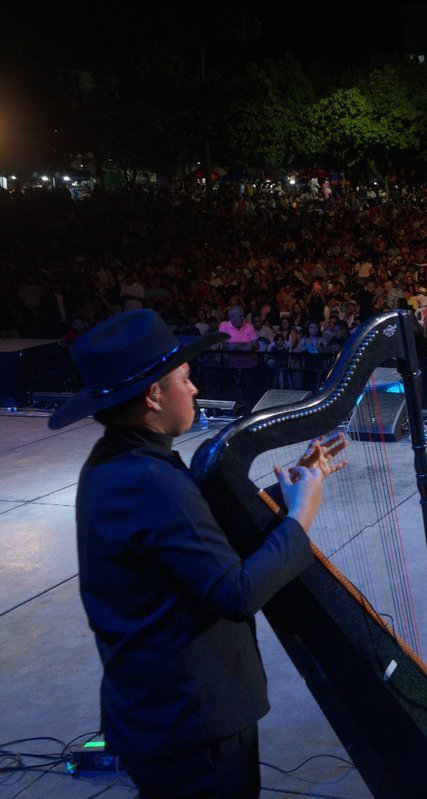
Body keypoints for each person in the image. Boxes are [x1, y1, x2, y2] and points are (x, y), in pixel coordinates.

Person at [48, 309, 346, 798]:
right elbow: (235, 591)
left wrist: (286, 488)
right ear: (153, 395)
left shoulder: (118, 464)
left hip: (159, 714)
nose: (194, 389)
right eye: (185, 379)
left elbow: (188, 543)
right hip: (191, 721)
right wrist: (300, 517)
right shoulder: (149, 480)